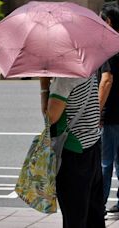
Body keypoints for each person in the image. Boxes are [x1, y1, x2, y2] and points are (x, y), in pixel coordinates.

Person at [40, 76, 104, 228]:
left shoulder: (64, 80)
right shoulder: (89, 72)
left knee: (74, 217)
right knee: (93, 215)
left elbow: (51, 117)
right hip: (92, 147)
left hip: (73, 153)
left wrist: (44, 85)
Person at [98, 3, 119, 214]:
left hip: (112, 115)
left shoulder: (109, 47)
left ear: (108, 22)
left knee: (105, 162)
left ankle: (99, 204)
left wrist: (96, 110)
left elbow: (106, 80)